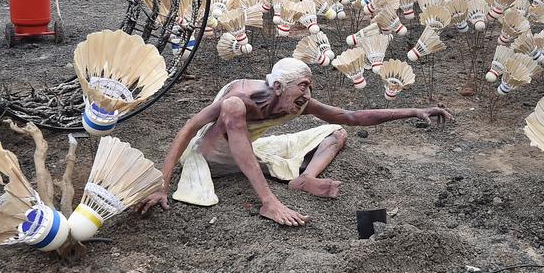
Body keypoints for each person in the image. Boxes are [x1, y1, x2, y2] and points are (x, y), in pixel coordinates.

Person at [138, 58, 452, 226]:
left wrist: (412, 110)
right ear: (278, 86)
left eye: (309, 87)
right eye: (302, 87)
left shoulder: (298, 101)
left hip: (251, 151)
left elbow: (351, 116)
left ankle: (306, 178)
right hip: (212, 159)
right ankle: (269, 201)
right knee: (235, 122)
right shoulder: (239, 100)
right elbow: (187, 129)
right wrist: (161, 184)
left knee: (336, 133)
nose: (307, 96)